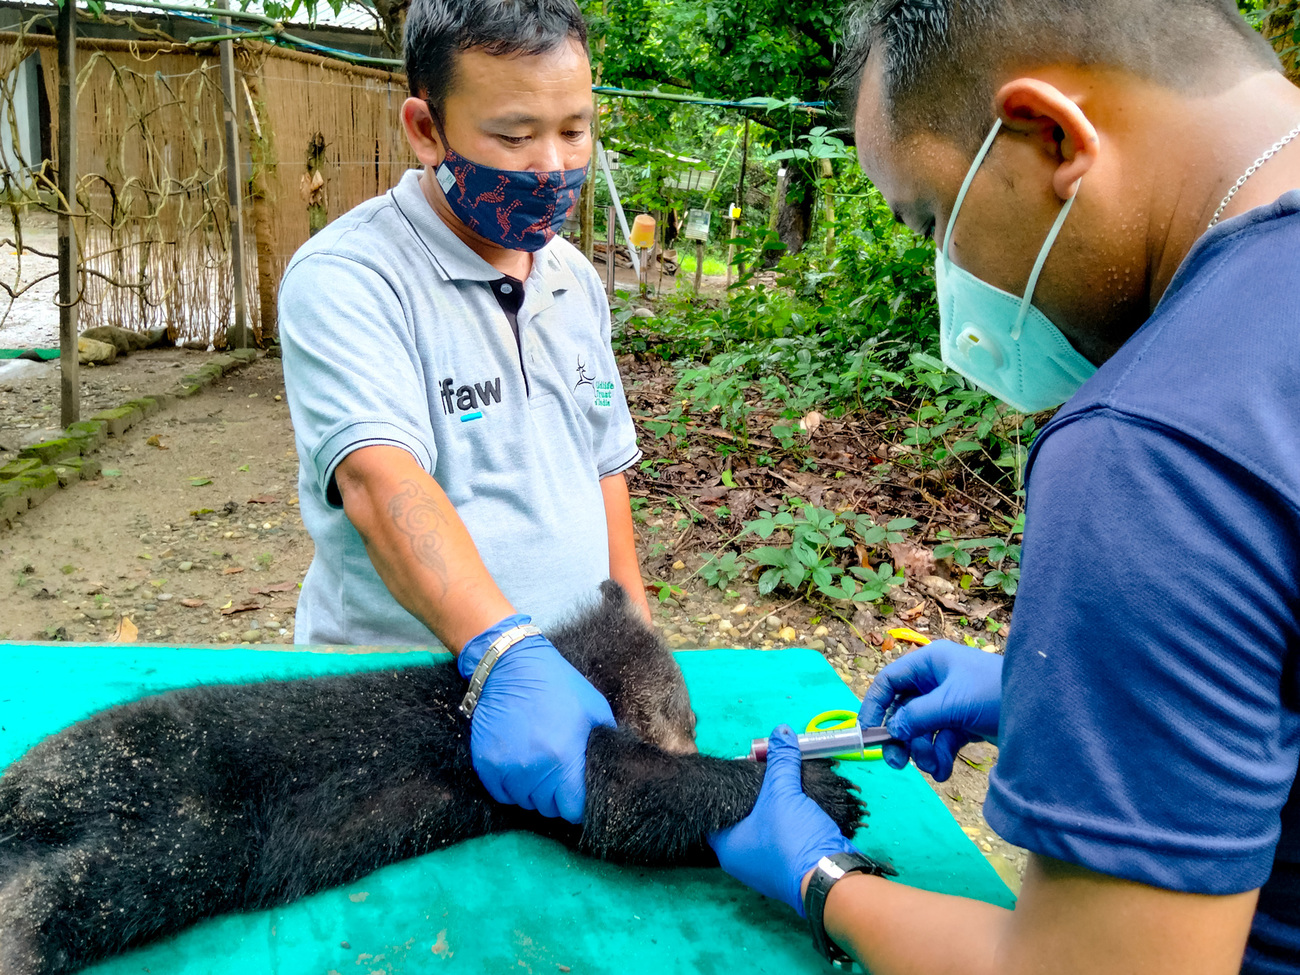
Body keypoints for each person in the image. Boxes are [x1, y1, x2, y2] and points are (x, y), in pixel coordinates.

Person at [708, 1, 1300, 972]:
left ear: (1053, 136)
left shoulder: (1153, 448)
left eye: (931, 220)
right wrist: (1043, 696)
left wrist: (823, 880)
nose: (947, 270)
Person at [277, 0, 649, 827]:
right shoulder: (349, 279)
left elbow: (603, 473)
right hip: (396, 714)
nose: (553, 165)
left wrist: (640, 652)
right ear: (425, 128)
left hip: (576, 698)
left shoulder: (574, 279)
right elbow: (380, 482)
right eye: (514, 137)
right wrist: (509, 652)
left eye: (576, 130)